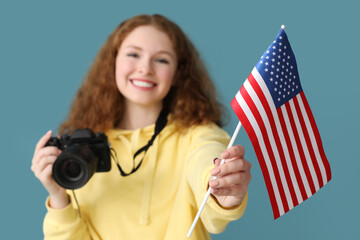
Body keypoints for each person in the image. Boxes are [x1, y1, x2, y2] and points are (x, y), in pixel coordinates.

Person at [31, 14, 252, 240]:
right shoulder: (83, 150)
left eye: (162, 60)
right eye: (133, 54)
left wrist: (217, 183)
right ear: (113, 62)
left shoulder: (198, 135)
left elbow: (207, 157)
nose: (145, 69)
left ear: (178, 74)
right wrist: (58, 196)